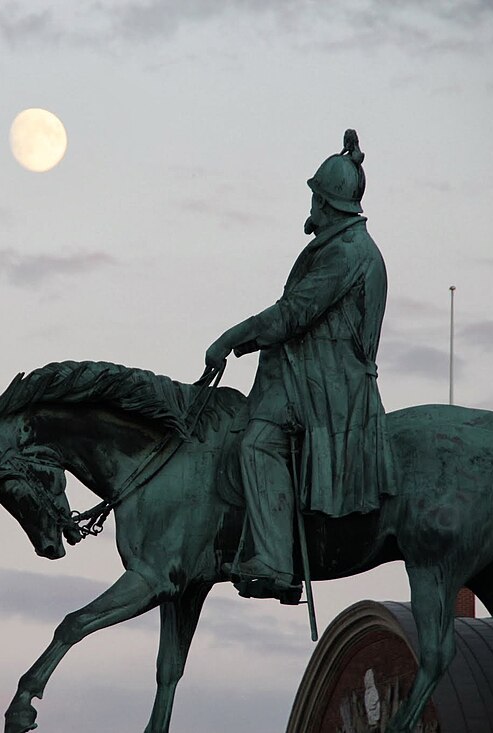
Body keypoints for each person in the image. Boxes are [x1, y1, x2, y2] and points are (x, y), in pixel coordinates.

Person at [204, 129, 393, 601]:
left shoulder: (345, 252)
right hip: (315, 378)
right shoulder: (342, 245)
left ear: (327, 203)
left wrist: (232, 337)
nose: (310, 206)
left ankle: (273, 559)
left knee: (258, 442)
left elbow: (292, 314)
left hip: (329, 387)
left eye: (315, 197)